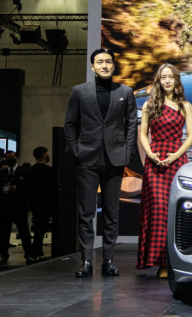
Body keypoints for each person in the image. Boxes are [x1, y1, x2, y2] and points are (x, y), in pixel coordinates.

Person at [65, 48, 137, 277]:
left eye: (108, 62)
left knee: (111, 212)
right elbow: (70, 123)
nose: (104, 65)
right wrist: (75, 150)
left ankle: (108, 260)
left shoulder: (125, 91)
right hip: (86, 157)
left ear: (114, 66)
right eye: (99, 62)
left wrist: (128, 151)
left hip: (115, 158)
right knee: (86, 212)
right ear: (92, 66)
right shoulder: (79, 91)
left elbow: (132, 124)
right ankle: (86, 261)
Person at [137, 63, 192, 278]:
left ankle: (175, 261)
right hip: (154, 161)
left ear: (176, 80)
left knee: (175, 211)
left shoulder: (185, 106)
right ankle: (160, 262)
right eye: (164, 77)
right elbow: (143, 134)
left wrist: (175, 155)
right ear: (158, 81)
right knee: (158, 209)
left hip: (176, 160)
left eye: (171, 77)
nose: (167, 80)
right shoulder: (149, 105)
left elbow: (191, 136)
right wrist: (150, 154)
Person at [0, 150, 33, 264]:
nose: (10, 159)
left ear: (16, 157)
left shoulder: (24, 172)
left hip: (19, 207)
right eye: (7, 157)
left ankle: (28, 254)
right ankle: (4, 255)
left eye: (11, 157)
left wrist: (18, 188)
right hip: (5, 207)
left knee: (24, 232)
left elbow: (29, 188)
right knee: (4, 233)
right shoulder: (2, 173)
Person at [28, 146, 54, 262]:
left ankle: (38, 252)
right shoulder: (49, 170)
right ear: (44, 154)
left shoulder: (31, 170)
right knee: (41, 230)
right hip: (46, 204)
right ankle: (33, 254)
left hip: (35, 203)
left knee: (39, 228)